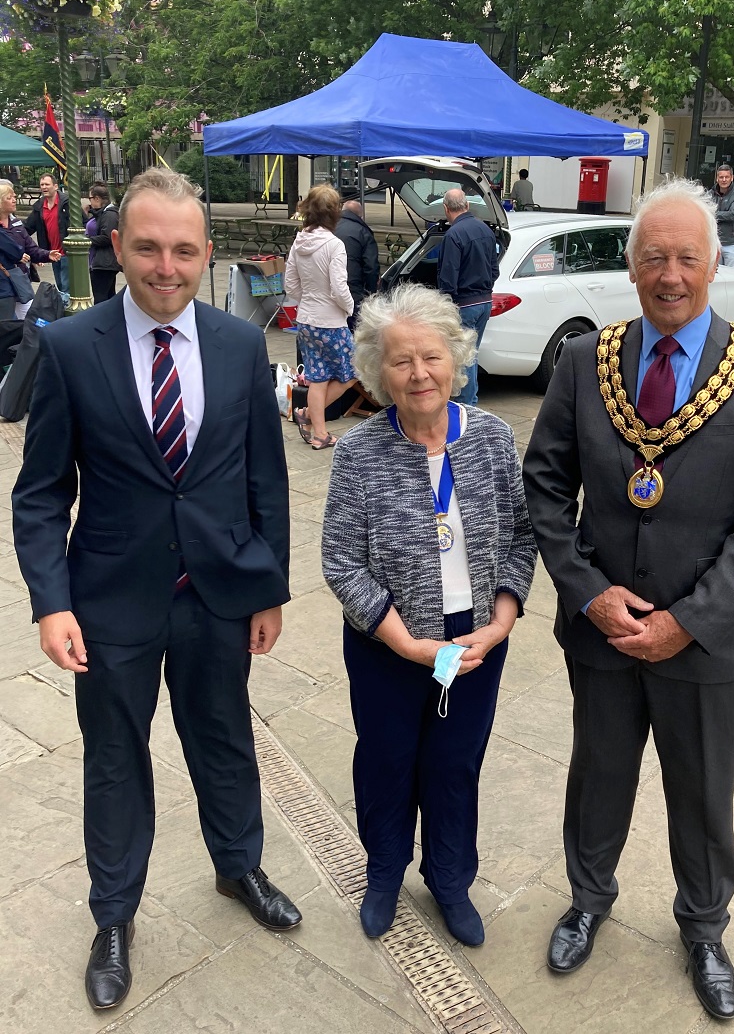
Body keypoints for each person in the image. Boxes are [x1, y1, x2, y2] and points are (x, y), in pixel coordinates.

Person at [12, 167, 302, 1013]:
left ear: (206, 253)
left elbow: (265, 480)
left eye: (182, 249)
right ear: (118, 247)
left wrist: (268, 587)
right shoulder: (69, 347)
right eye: (147, 247)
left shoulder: (243, 345)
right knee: (114, 762)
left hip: (217, 595)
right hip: (109, 604)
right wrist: (52, 601)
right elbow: (39, 495)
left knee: (224, 740)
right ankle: (113, 916)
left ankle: (238, 865)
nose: (165, 266)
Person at [522, 178, 734, 1022]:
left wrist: (691, 618)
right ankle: (588, 898)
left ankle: (705, 928)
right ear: (633, 267)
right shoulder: (585, 361)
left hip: (706, 640)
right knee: (597, 776)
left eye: (687, 257)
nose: (670, 275)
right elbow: (543, 487)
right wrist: (589, 593)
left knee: (704, 792)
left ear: (715, 264)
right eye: (654, 258)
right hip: (602, 631)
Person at [322, 283, 537, 947]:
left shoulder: (495, 440)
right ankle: (385, 872)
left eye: (432, 356)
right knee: (386, 761)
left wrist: (500, 624)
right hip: (388, 646)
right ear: (376, 371)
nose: (419, 373)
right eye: (400, 361)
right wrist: (405, 642)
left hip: (474, 645)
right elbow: (341, 562)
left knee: (453, 766)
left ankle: (449, 880)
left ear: (456, 358)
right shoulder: (360, 454)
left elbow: (522, 540)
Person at [284, 184, 357, 449]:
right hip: (331, 321)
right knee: (353, 372)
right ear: (334, 212)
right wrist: (349, 307)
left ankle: (318, 433)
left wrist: (308, 301)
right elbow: (339, 287)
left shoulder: (298, 241)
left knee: (318, 377)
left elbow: (290, 285)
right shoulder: (334, 245)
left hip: (306, 319)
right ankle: (309, 420)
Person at [436, 188, 500, 405]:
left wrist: (446, 304)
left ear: (446, 209)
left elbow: (448, 277)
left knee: (464, 356)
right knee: (471, 353)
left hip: (464, 305)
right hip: (484, 302)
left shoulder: (453, 235)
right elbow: (494, 270)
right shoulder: (486, 230)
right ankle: (468, 401)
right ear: (467, 205)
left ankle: (467, 403)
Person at [0, 179, 61, 319]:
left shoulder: (15, 222)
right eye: (10, 198)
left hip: (20, 281)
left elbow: (30, 247)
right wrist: (17, 255)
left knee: (31, 320)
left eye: (14, 197)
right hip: (3, 286)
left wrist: (47, 254)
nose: (14, 200)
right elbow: (16, 252)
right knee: (7, 326)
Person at [335, 188, 380, 330]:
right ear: (360, 216)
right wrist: (372, 294)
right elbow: (371, 268)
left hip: (331, 290)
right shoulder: (363, 232)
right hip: (354, 290)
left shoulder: (330, 228)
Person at [24, 172, 70, 295]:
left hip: (68, 253)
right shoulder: (39, 206)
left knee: (67, 287)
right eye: (42, 184)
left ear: (55, 186)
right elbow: (27, 227)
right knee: (60, 286)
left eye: (47, 184)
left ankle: (68, 312)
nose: (44, 187)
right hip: (53, 254)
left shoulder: (67, 203)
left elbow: (83, 222)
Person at [85, 182, 122, 304]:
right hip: (100, 262)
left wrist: (86, 241)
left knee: (101, 298)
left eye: (90, 198)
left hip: (104, 264)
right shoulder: (102, 213)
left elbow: (107, 237)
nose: (89, 202)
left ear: (97, 198)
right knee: (107, 297)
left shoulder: (110, 214)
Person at [711, 164, 734, 268]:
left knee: (732, 276)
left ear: (732, 178)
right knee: (715, 276)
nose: (724, 180)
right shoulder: (711, 193)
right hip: (714, 242)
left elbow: (733, 214)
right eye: (721, 177)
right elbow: (704, 211)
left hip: (731, 243)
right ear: (717, 178)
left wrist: (713, 213)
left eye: (727, 177)